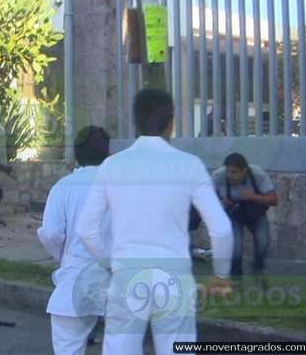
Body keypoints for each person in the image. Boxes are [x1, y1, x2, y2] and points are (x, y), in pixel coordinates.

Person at [77, 89, 234, 355]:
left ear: (136, 122)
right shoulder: (189, 165)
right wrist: (221, 274)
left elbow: (86, 231)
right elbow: (221, 229)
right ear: (171, 123)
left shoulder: (112, 166)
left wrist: (111, 263)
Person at [37, 126, 112, 355]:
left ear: (76, 155)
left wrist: (64, 256)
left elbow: (50, 233)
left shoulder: (63, 187)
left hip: (74, 282)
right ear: (108, 153)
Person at [212, 153, 278, 277]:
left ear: (244, 171)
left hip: (254, 212)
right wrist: (221, 203)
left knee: (263, 240)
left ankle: (258, 267)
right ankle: (236, 277)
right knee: (235, 246)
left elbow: (274, 200)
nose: (230, 176)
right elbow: (208, 198)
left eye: (234, 172)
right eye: (228, 172)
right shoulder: (218, 176)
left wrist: (253, 196)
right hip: (233, 213)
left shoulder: (257, 175)